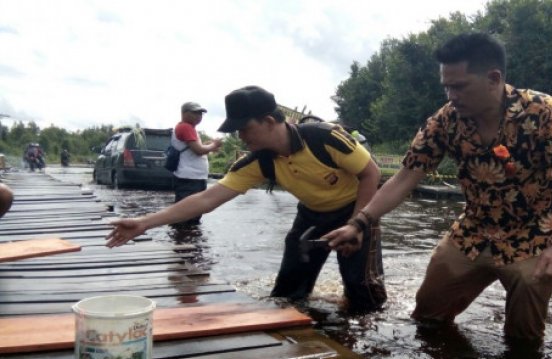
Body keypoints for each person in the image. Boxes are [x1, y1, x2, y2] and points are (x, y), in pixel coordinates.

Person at [326, 32, 552, 342]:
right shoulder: (446, 121)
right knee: (427, 316)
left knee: (524, 339)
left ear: (493, 78)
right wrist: (359, 222)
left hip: (536, 236)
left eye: (459, 86)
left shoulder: (546, 114)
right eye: (446, 86)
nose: (450, 96)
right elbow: (405, 178)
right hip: (473, 232)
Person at [107, 86, 386, 312]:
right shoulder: (258, 162)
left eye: (244, 129)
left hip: (358, 211)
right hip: (312, 217)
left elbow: (371, 174)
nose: (240, 137)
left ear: (268, 121)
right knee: (288, 295)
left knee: (364, 296)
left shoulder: (324, 138)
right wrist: (145, 223)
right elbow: (206, 200)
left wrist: (357, 224)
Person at [170, 101, 222, 224]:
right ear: (185, 113)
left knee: (191, 213)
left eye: (201, 113)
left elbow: (195, 150)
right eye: (195, 113)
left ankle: (184, 238)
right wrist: (213, 145)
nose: (199, 116)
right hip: (189, 178)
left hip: (191, 177)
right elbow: (198, 150)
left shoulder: (188, 128)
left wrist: (209, 146)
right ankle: (182, 240)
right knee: (187, 214)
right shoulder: (186, 127)